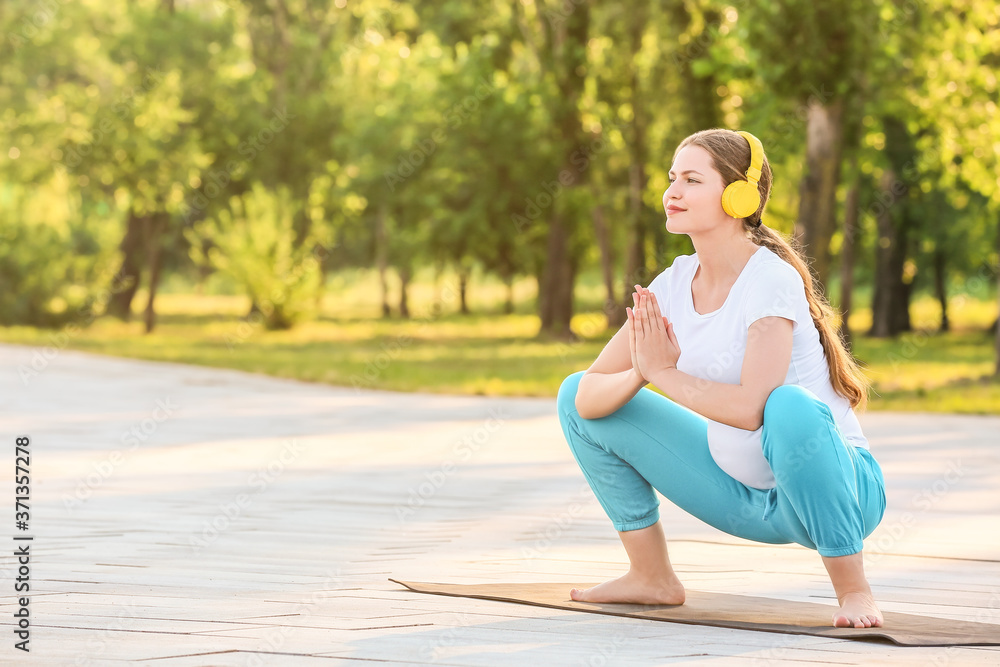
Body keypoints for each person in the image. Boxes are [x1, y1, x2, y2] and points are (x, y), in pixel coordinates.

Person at [556, 128, 886, 629]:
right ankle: (652, 577)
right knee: (572, 394)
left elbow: (753, 409)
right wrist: (640, 374)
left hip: (841, 495)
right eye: (671, 178)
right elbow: (587, 398)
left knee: (787, 407)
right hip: (747, 502)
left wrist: (661, 371)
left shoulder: (769, 279)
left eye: (692, 179)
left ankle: (854, 590)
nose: (672, 192)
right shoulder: (670, 285)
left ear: (739, 196)